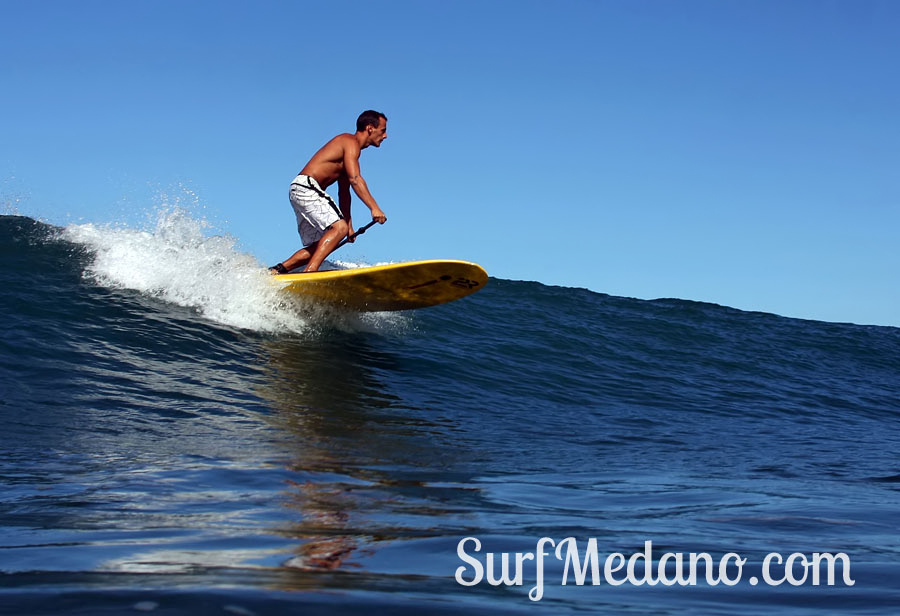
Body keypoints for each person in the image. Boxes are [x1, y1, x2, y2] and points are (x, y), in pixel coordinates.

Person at [269, 110, 389, 274]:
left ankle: (278, 270)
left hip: (299, 189)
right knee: (337, 230)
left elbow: (344, 193)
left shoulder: (349, 153)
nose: (385, 136)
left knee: (324, 244)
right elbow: (355, 179)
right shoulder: (349, 141)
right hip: (306, 187)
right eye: (382, 130)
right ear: (370, 128)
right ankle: (310, 272)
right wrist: (374, 208)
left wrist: (348, 226)